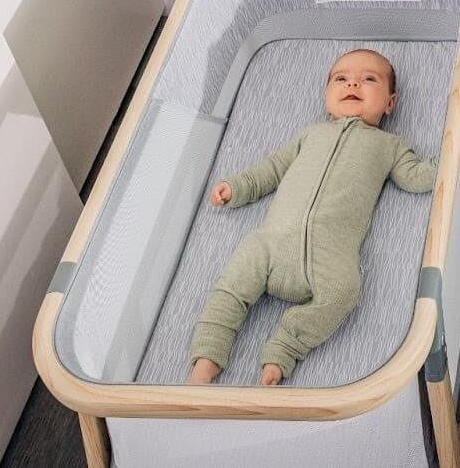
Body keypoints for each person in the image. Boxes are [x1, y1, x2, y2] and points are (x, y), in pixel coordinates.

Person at [186, 47, 437, 386]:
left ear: (390, 103)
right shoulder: (311, 133)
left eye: (369, 79)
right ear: (327, 96)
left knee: (345, 292)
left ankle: (285, 349)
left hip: (330, 255)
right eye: (341, 79)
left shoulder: (390, 146)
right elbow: (272, 169)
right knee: (230, 288)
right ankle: (206, 361)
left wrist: (451, 155)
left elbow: (416, 177)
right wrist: (237, 188)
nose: (353, 84)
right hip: (271, 243)